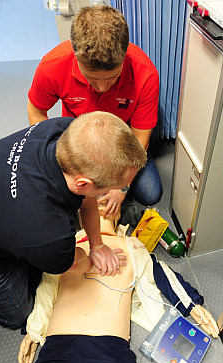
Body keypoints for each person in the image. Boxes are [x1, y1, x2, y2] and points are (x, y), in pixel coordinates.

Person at [0, 111, 146, 331]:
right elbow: (75, 262)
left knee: (32, 260)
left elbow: (86, 199)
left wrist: (97, 244)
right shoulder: (46, 231)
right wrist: (93, 261)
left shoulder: (66, 132)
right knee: (20, 315)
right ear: (82, 183)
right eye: (118, 187)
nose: (121, 191)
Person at [17, 207, 219, 363]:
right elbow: (46, 289)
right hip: (57, 348)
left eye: (105, 198)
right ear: (80, 214)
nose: (100, 202)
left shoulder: (131, 246)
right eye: (93, 200)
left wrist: (191, 303)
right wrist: (34, 331)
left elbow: (162, 274)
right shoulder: (66, 245)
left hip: (108, 352)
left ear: (117, 214)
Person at [27, 5, 162, 218]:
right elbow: (36, 110)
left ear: (124, 57)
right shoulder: (52, 66)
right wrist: (56, 156)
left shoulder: (146, 74)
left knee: (150, 193)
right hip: (78, 139)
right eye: (92, 78)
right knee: (63, 195)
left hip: (122, 142)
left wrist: (121, 187)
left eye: (111, 78)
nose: (101, 88)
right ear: (76, 56)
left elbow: (140, 140)